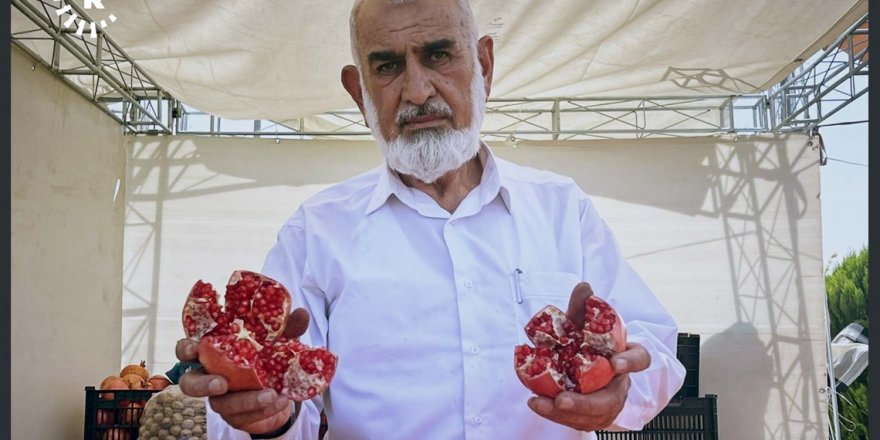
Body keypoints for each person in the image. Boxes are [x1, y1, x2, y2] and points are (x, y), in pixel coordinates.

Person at [175, 0, 686, 438]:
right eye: (387, 66)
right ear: (359, 92)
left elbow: (657, 349)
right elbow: (275, 404)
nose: (418, 91)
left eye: (439, 55)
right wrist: (269, 418)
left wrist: (620, 387)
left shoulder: (561, 210)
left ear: (484, 64)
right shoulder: (316, 232)